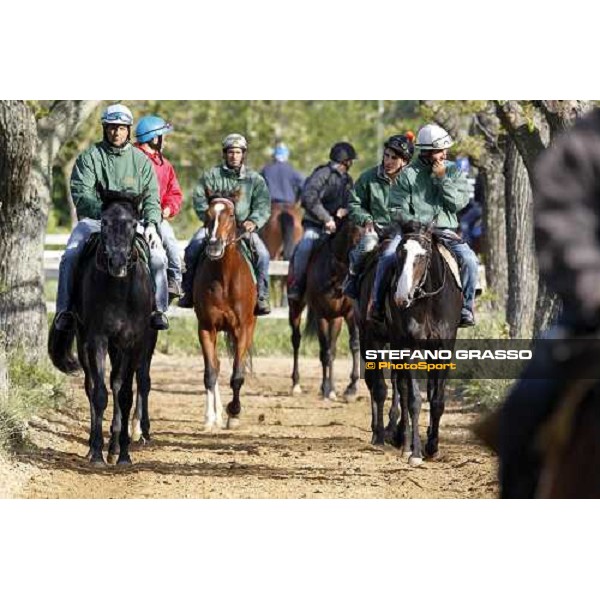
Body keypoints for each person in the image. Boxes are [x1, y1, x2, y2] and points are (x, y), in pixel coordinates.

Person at [498, 108, 600, 497]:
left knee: (465, 262)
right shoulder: (585, 143)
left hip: (443, 235)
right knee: (524, 409)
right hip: (592, 321)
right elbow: (562, 225)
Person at [53, 103, 169, 332]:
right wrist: (107, 214)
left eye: (121, 128)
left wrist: (153, 224)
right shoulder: (90, 157)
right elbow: (81, 192)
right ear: (105, 129)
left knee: (158, 259)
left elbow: (153, 197)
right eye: (112, 127)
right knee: (70, 255)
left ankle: (158, 310)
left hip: (132, 223)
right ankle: (65, 311)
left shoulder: (142, 161)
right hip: (97, 221)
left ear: (128, 130)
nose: (116, 132)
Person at [387, 123, 478, 327]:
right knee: (385, 259)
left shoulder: (453, 171)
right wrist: (414, 223)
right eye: (440, 150)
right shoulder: (408, 175)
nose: (444, 154)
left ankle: (466, 308)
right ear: (427, 152)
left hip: (445, 232)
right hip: (413, 234)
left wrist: (442, 179)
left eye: (445, 150)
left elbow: (458, 203)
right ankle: (377, 306)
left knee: (470, 261)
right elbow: (395, 207)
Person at [178, 133, 272, 315]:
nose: (234, 156)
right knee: (192, 249)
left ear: (243, 154)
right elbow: (199, 199)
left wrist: (254, 221)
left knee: (263, 254)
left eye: (238, 152)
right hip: (214, 226)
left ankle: (262, 296)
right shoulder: (211, 176)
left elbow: (263, 205)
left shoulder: (255, 180)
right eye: (230, 152)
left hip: (243, 228)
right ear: (224, 154)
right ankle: (187, 292)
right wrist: (209, 218)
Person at [344, 133, 415, 303]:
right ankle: (352, 278)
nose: (388, 161)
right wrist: (366, 219)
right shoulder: (368, 177)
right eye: (386, 156)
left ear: (404, 161)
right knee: (367, 245)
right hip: (376, 229)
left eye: (394, 157)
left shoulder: (414, 181)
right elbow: (354, 203)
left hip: (404, 232)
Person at [287, 141, 356, 301]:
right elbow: (308, 198)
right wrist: (326, 219)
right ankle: (297, 284)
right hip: (317, 225)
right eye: (351, 160)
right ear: (346, 161)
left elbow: (351, 201)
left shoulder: (347, 179)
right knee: (305, 246)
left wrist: (346, 210)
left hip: (339, 227)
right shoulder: (322, 174)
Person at [134, 115, 184, 298]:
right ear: (154, 138)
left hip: (156, 217)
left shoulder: (165, 165)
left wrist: (169, 208)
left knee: (170, 240)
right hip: (130, 215)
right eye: (163, 136)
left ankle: (174, 280)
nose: (165, 141)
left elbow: (175, 193)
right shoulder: (131, 158)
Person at [260, 142, 305, 259]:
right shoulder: (293, 171)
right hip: (290, 206)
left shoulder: (266, 170)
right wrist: (297, 200)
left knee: (254, 231)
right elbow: (304, 186)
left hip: (272, 206)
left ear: (274, 156)